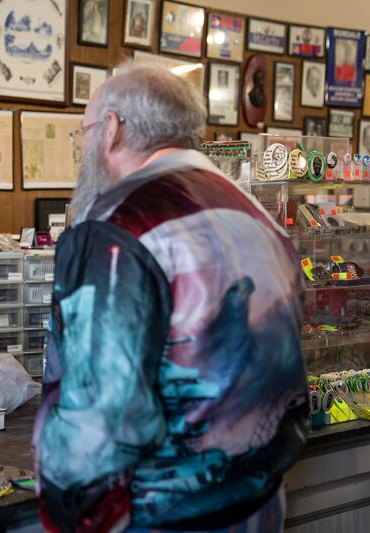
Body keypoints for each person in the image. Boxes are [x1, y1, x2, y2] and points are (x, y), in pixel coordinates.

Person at [33, 65, 307, 532]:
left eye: (84, 134)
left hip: (162, 517)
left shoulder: (117, 225)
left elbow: (99, 421)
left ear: (113, 130)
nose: (82, 151)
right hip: (258, 503)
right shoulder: (254, 212)